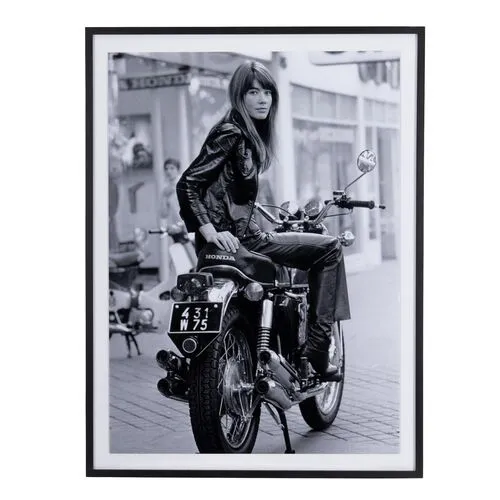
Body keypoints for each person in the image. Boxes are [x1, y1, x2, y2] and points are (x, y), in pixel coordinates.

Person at [176, 61, 350, 377]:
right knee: (331, 248)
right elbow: (188, 183)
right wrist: (210, 229)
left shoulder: (241, 133)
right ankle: (318, 351)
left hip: (239, 234)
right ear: (239, 96)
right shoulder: (232, 132)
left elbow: (227, 194)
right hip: (244, 240)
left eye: (267, 92)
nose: (262, 99)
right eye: (253, 92)